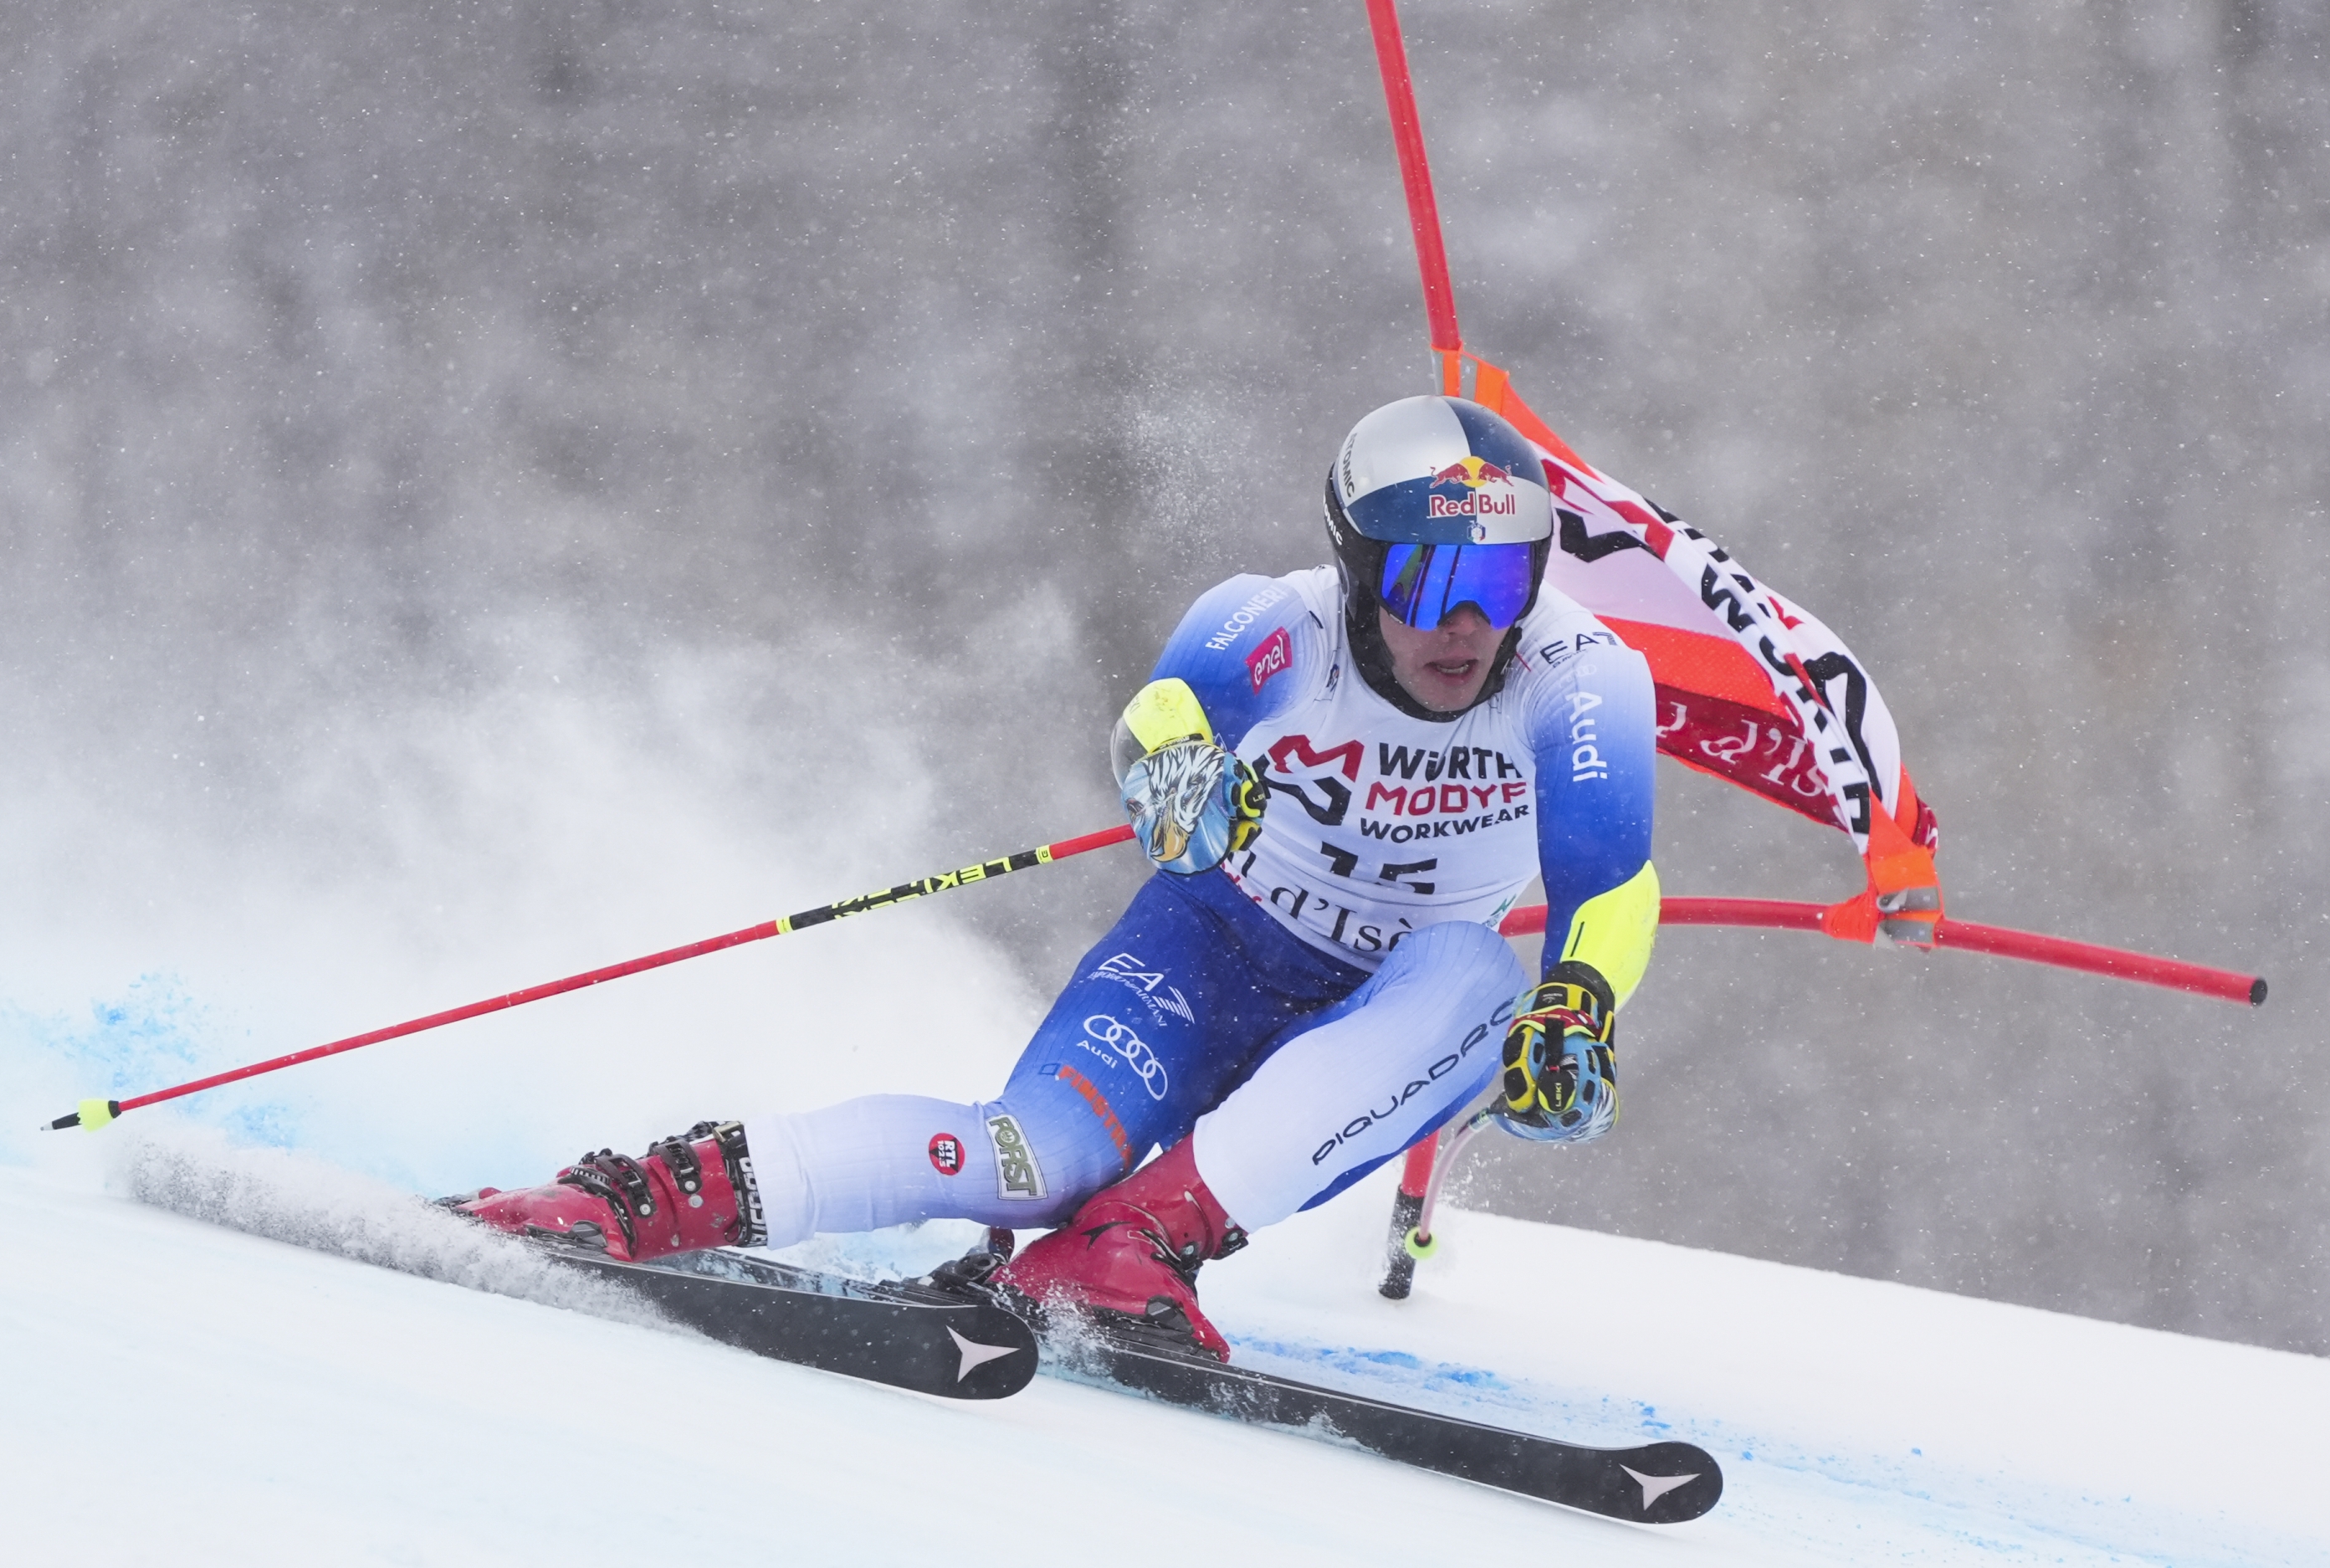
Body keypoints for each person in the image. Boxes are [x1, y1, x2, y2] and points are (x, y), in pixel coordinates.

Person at [453, 394, 1662, 1359]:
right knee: (1031, 1163)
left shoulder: (1578, 679)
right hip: (1213, 952)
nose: (1464, 626)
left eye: (1499, 584)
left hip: (1388, 1013)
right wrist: (1182, 779)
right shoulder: (1275, 624)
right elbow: (1163, 714)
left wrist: (1584, 1004)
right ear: (1355, 569)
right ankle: (646, 1198)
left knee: (1480, 972)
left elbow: (1609, 882)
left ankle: (1123, 1252)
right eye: (1425, 581)